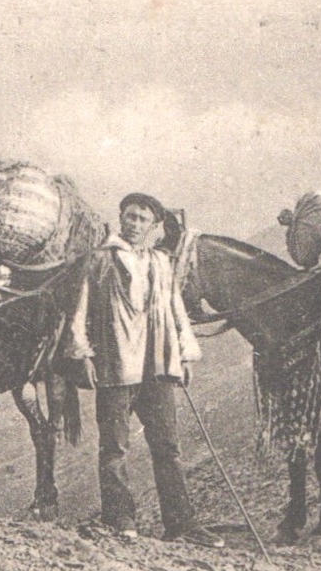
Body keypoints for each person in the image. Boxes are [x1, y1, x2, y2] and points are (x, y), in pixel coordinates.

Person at [62, 193, 224, 547]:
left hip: (157, 367)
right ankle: (120, 520)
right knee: (115, 448)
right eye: (130, 217)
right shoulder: (99, 261)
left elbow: (176, 310)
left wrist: (183, 354)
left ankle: (181, 524)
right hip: (115, 366)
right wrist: (84, 355)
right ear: (121, 219)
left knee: (167, 446)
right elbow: (79, 313)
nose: (135, 225)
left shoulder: (161, 263)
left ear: (153, 227)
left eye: (143, 220)